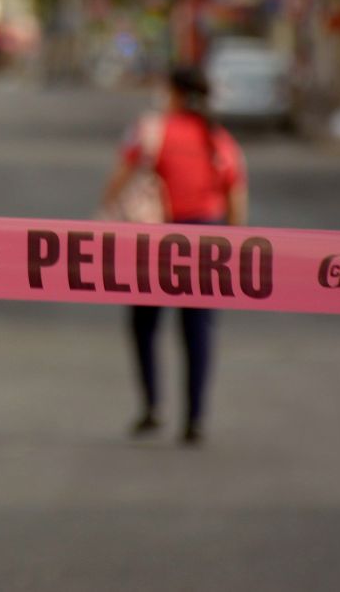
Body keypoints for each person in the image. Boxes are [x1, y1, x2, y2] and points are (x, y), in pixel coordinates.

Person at [100, 64, 248, 445]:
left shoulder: (151, 129)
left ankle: (153, 406)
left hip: (155, 239)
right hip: (206, 239)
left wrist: (105, 214)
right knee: (198, 330)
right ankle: (195, 417)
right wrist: (233, 243)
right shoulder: (219, 138)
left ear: (174, 93)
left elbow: (122, 174)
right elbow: (235, 195)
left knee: (144, 325)